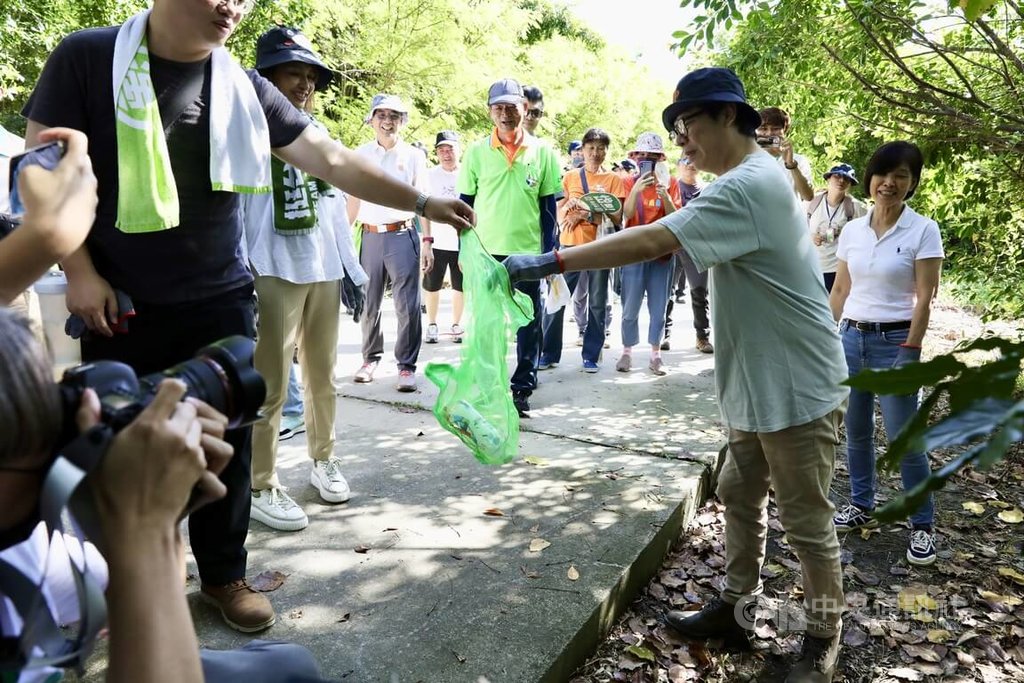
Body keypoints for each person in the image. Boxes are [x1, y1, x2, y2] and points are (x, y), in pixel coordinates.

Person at [22, 0, 473, 632]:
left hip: (221, 298)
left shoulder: (245, 85)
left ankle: (223, 574)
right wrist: (80, 272)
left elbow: (334, 160)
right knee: (121, 448)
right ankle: (129, 577)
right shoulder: (89, 57)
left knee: (225, 445)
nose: (233, 5)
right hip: (117, 304)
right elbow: (40, 170)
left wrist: (424, 199)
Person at [502, 67, 849, 682]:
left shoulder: (749, 183)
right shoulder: (750, 178)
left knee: (806, 519)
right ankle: (738, 609)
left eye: (688, 124)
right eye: (679, 127)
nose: (682, 139)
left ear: (726, 117)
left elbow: (652, 240)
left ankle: (823, 637)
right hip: (753, 380)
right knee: (741, 497)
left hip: (798, 384)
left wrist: (550, 260)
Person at [0, 308, 325, 683]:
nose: (52, 445)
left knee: (290, 665)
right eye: (24, 437)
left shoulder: (26, 552)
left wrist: (157, 518)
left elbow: (135, 598)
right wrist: (145, 534)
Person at [243, 26, 369, 532]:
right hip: (273, 268)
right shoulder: (248, 133)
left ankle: (323, 460)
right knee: (271, 386)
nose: (304, 84)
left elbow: (334, 206)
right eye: (293, 72)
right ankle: (261, 483)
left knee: (323, 378)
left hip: (323, 269)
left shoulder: (315, 135)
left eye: (311, 76)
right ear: (267, 76)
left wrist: (350, 268)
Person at [828, 141, 943, 567]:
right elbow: (841, 289)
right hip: (850, 340)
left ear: (911, 184)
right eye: (882, 174)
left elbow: (925, 299)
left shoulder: (922, 229)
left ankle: (922, 526)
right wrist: (826, 335)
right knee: (855, 432)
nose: (889, 183)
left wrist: (910, 350)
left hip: (896, 342)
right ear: (871, 178)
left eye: (901, 176)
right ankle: (861, 503)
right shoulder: (854, 229)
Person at [457, 78, 561, 417]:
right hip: (487, 254)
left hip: (528, 255)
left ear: (525, 109)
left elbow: (548, 210)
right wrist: (465, 251)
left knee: (529, 326)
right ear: (489, 112)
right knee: (487, 325)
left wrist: (550, 257)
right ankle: (490, 387)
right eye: (498, 107)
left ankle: (521, 390)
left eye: (512, 107)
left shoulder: (543, 152)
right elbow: (464, 205)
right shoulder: (475, 151)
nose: (506, 114)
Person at [347, 94, 431, 393]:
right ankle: (370, 359)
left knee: (407, 305)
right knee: (369, 303)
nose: (387, 121)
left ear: (402, 121)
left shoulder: (413, 156)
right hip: (370, 235)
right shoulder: (360, 154)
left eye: (394, 116)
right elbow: (353, 198)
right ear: (371, 120)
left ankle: (406, 366)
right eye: (381, 115)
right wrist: (344, 241)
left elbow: (424, 201)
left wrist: (428, 241)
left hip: (402, 234)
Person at [539, 127, 624, 373]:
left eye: (600, 148)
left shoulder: (613, 180)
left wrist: (588, 212)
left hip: (600, 247)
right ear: (582, 151)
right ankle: (548, 352)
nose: (595, 153)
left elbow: (618, 216)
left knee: (598, 302)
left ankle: (591, 355)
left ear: (606, 152)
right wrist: (572, 211)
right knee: (558, 299)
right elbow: (558, 210)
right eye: (591, 148)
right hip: (570, 244)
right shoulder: (570, 178)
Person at [616, 132, 680, 375]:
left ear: (660, 158)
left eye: (651, 156)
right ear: (635, 157)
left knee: (658, 305)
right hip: (633, 251)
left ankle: (655, 354)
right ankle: (626, 352)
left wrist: (664, 196)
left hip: (661, 254)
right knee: (630, 305)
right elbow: (626, 214)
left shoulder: (670, 183)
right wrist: (636, 189)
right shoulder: (628, 182)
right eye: (642, 155)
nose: (646, 159)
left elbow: (677, 217)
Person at [423, 130, 465, 344]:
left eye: (450, 149)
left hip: (462, 241)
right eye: (441, 150)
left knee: (460, 286)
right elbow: (423, 210)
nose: (446, 153)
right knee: (432, 285)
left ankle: (457, 324)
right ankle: (431, 324)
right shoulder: (429, 175)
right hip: (437, 240)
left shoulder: (467, 173)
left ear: (459, 149)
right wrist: (426, 242)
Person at [807, 163, 867, 292]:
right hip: (810, 266)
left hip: (838, 269)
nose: (841, 180)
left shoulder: (856, 207)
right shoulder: (811, 202)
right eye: (837, 176)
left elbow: (869, 233)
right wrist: (810, 237)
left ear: (850, 184)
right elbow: (794, 229)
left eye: (846, 178)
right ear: (828, 178)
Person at [756, 106, 813, 201]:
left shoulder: (799, 160)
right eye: (764, 128)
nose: (769, 133)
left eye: (775, 129)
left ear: (784, 130)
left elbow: (808, 196)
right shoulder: (747, 157)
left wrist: (791, 165)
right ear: (756, 131)